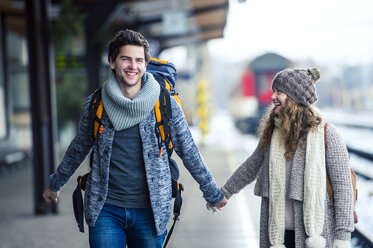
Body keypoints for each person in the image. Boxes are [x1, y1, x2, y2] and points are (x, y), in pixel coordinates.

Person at [42, 29, 227, 248]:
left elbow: (189, 151)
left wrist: (212, 192)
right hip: (105, 210)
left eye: (139, 60)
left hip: (150, 211)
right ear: (112, 62)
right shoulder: (95, 104)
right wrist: (55, 184)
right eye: (126, 59)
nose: (133, 66)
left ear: (145, 65)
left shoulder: (165, 103)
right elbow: (78, 148)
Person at [220, 68, 354, 248]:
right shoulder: (273, 132)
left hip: (313, 236)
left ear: (294, 98)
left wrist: (343, 235)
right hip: (277, 235)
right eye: (273, 91)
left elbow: (343, 187)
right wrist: (224, 192)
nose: (273, 96)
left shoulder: (327, 134)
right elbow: (251, 166)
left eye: (279, 92)